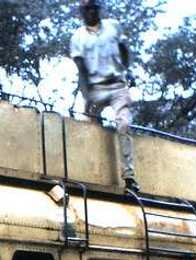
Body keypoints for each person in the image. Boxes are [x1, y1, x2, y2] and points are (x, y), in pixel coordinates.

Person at [70, 0, 138, 191]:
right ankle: (92, 173)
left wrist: (126, 70)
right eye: (86, 9)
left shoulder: (113, 27)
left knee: (123, 124)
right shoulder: (77, 37)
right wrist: (87, 93)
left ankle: (129, 176)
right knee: (90, 127)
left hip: (117, 85)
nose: (90, 12)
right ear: (82, 13)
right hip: (95, 89)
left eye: (93, 8)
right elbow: (81, 67)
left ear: (98, 9)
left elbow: (124, 50)